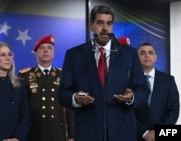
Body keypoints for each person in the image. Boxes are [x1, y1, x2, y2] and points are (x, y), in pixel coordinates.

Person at [57, 5, 150, 141]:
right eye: (100, 23)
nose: (105, 28)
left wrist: (132, 97)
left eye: (109, 23)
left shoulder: (128, 54)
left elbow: (143, 89)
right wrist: (75, 99)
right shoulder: (74, 55)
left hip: (122, 130)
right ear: (91, 25)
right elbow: (62, 93)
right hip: (88, 130)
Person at [18, 34, 74, 141]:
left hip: (57, 131)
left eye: (49, 48)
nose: (46, 50)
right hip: (33, 131)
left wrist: (71, 135)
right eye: (41, 48)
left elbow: (70, 109)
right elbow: (19, 107)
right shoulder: (24, 76)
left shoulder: (63, 75)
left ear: (53, 53)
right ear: (35, 53)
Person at [135, 43, 180, 141]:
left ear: (155, 57)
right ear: (137, 58)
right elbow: (126, 111)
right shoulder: (129, 81)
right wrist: (144, 133)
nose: (147, 56)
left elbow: (173, 110)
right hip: (136, 135)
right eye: (142, 53)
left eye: (150, 53)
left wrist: (159, 133)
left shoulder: (168, 81)